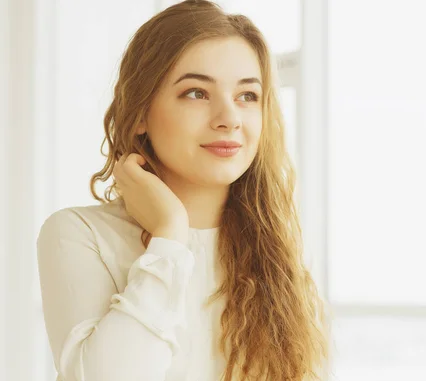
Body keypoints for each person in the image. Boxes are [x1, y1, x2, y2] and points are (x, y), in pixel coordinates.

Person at [36, 1, 330, 380]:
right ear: (140, 112)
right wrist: (170, 234)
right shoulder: (79, 234)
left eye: (247, 96)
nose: (229, 119)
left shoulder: (279, 246)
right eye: (197, 93)